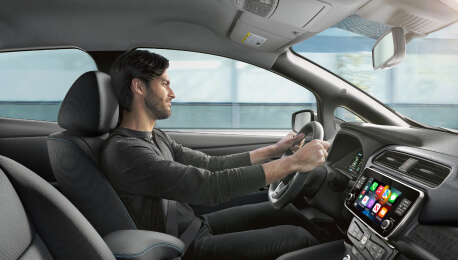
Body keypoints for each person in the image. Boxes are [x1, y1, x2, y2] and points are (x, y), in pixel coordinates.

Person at [100, 50, 331, 260]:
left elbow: (211, 164)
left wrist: (275, 150)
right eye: (165, 84)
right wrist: (294, 163)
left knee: (284, 211)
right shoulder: (124, 151)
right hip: (184, 247)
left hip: (194, 226)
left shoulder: (156, 137)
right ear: (139, 87)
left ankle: (340, 243)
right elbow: (208, 186)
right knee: (296, 239)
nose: (172, 93)